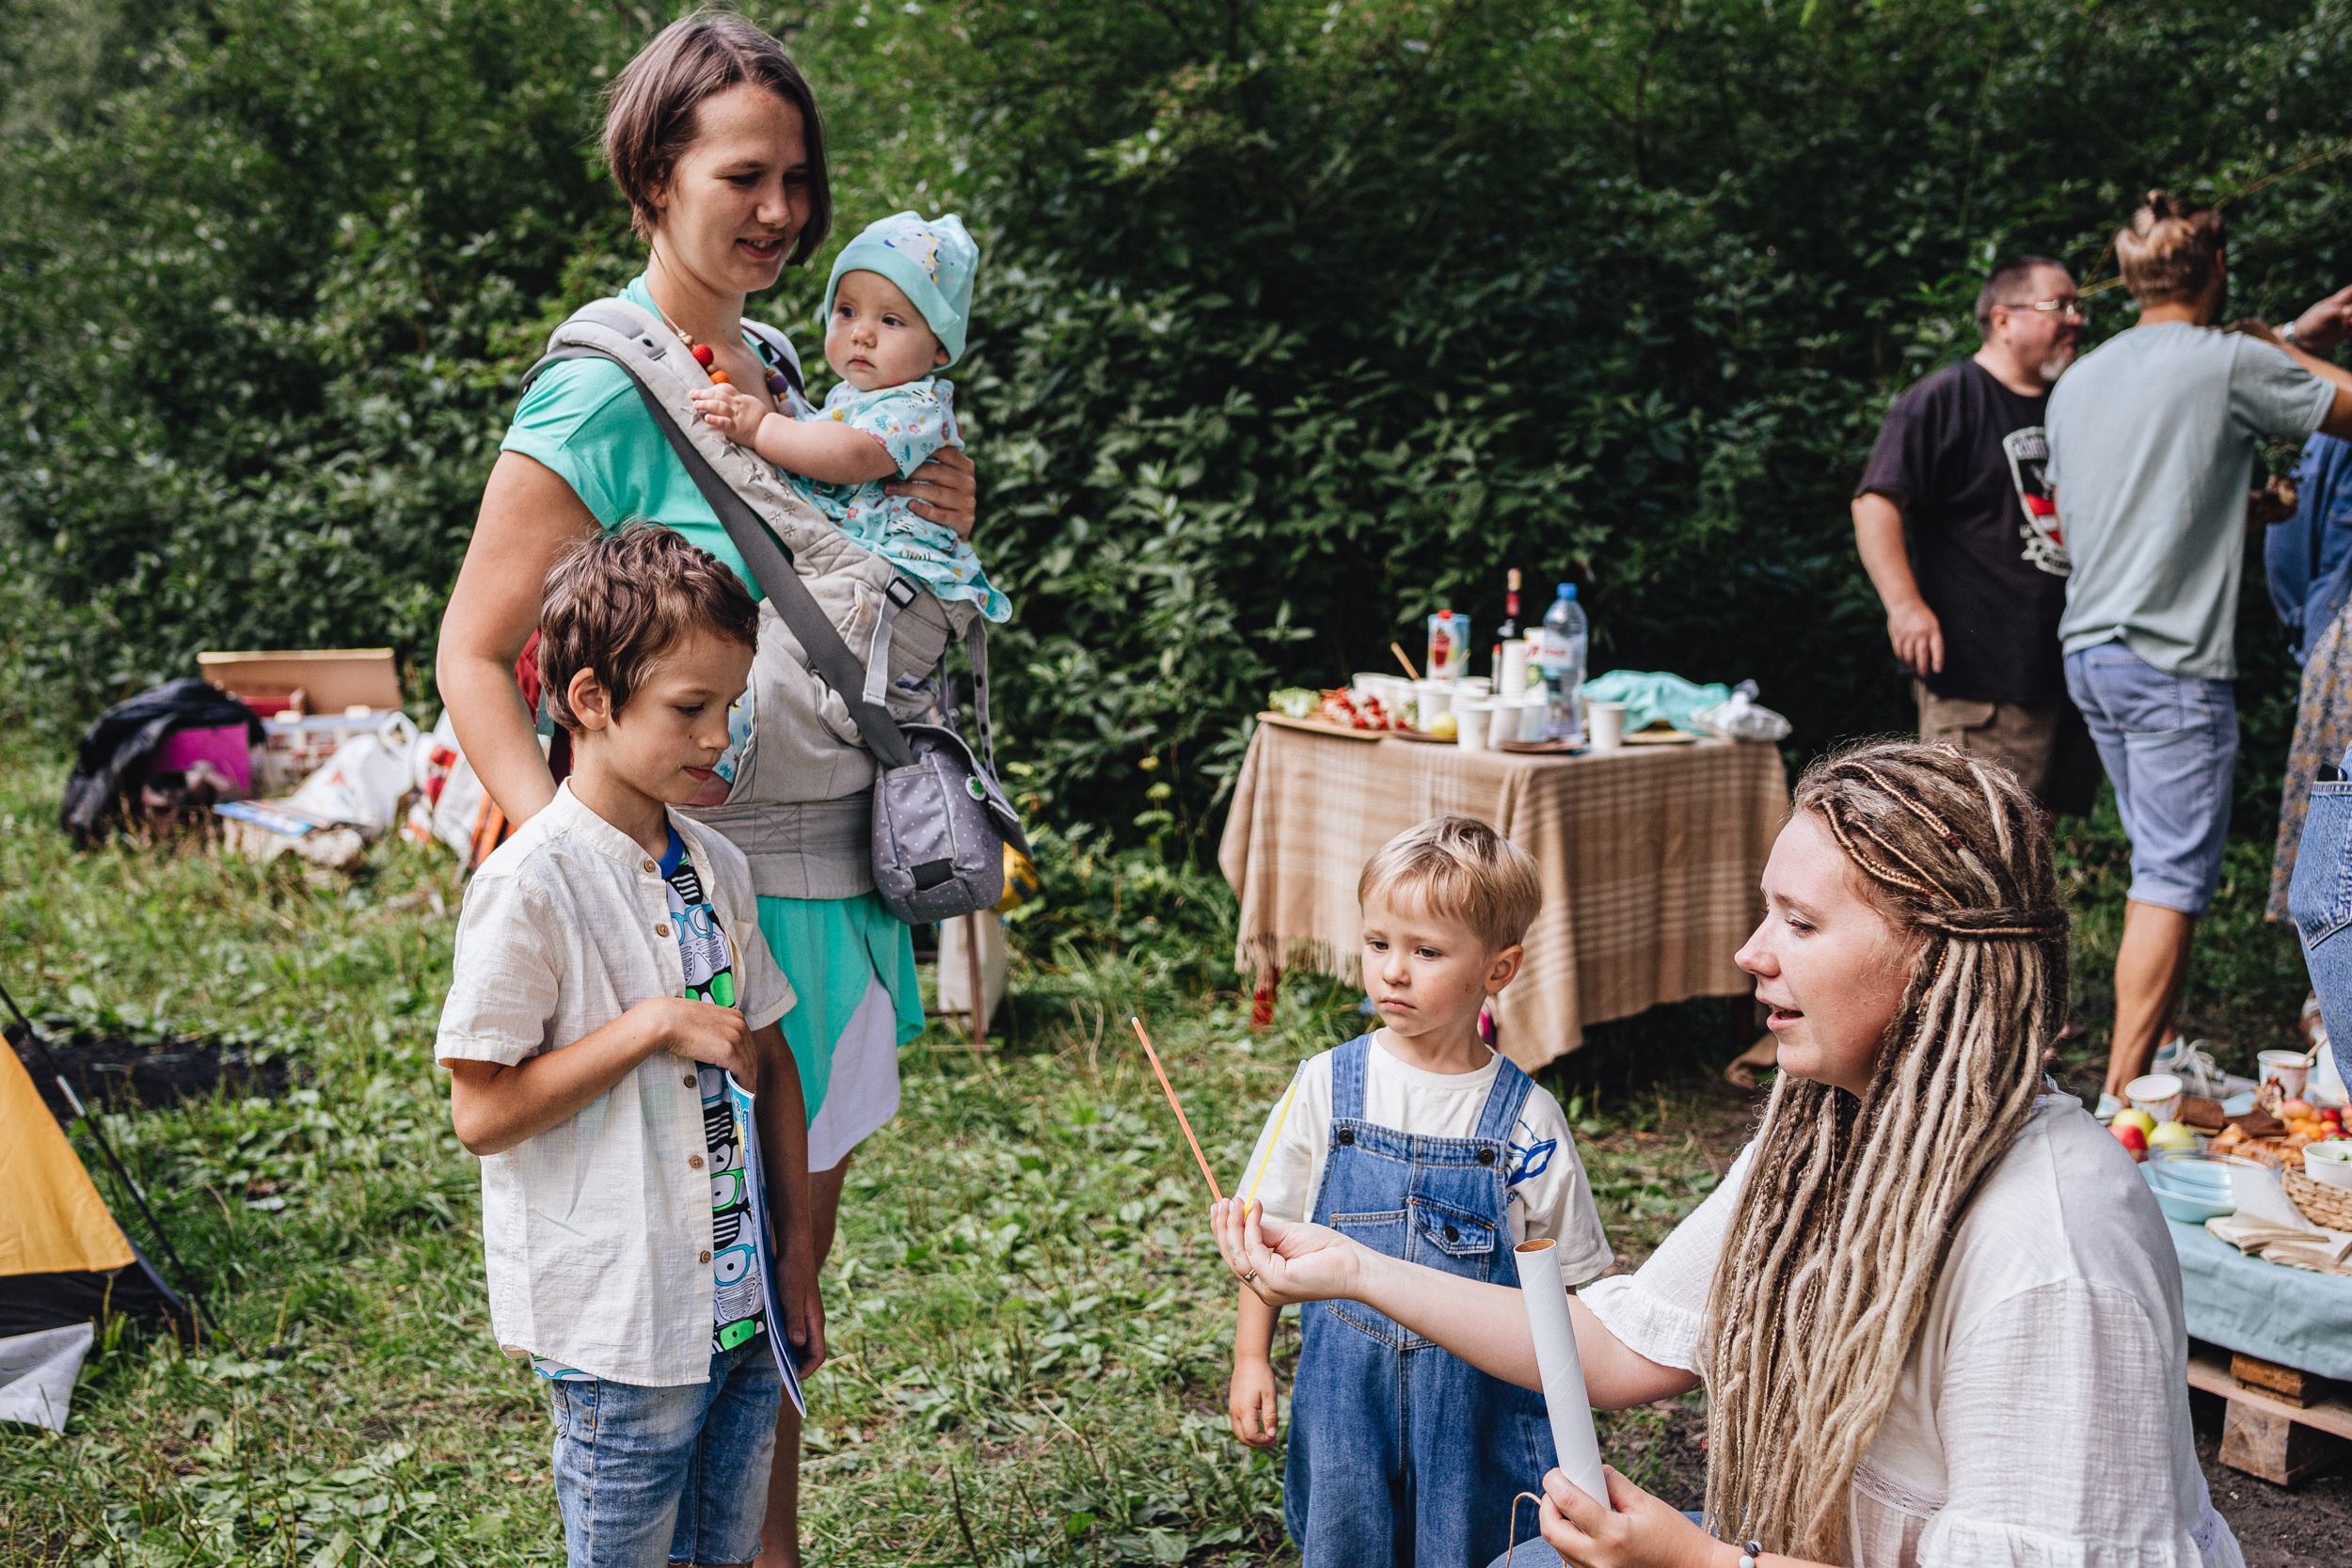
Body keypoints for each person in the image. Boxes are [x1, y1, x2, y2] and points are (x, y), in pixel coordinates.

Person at [1214, 742, 2242, 1568]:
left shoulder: (2050, 1248)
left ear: (1934, 960)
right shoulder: (1832, 1128)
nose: (1751, 951)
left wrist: (1694, 1558)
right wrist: (1352, 1268)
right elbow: (1614, 1345)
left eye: (1796, 921)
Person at [432, 15, 979, 1563]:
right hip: (707, 903)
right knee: (708, 1281)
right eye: (745, 173)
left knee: (786, 1280)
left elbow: (883, 618)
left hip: (847, 893)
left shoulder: (802, 372)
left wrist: (938, 517)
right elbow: (476, 654)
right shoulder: (605, 387)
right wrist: (580, 859)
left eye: (799, 179)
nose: (783, 211)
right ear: (656, 172)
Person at [437, 527, 814, 1567]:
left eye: (729, 706)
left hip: (743, 1322)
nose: (718, 736)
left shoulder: (719, 867)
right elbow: (482, 1113)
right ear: (592, 700)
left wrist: (791, 1259)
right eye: (690, 709)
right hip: (623, 1333)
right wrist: (650, 1024)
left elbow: (768, 1061)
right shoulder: (530, 884)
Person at [1224, 816, 1612, 1568]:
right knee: (1347, 1545)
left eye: (1426, 951)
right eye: (1378, 944)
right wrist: (1251, 1358)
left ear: (1498, 970)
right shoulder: (1325, 1086)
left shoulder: (1525, 1120)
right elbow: (1262, 1231)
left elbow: (1573, 1293)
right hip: (1347, 1404)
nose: (1392, 971)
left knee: (1469, 1548)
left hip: (1477, 1411)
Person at [2045, 191, 2352, 1115]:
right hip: (2171, 659)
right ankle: (2115, 1105)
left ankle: (2153, 1064)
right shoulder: (2226, 363)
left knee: (2153, 869)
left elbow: (2110, 505)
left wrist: (2240, 508)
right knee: (2171, 882)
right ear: (2216, 269)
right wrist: (2279, 340)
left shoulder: (2080, 378)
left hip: (2092, 650)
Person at [1852, 255, 2098, 817]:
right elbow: (1874, 504)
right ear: (2003, 319)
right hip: (1977, 681)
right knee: (1966, 853)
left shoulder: (2073, 403)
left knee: (2030, 854)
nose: (2076, 318)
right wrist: (1904, 605)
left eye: (2078, 306)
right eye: (2058, 305)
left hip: (2060, 672)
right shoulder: (1945, 398)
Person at [692, 210, 1010, 624]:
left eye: (891, 320)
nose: (861, 333)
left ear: (940, 350)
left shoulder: (920, 406)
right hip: (866, 580)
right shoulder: (855, 396)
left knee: (778, 654)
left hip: (893, 586)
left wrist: (762, 427)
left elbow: (853, 457)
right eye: (846, 311)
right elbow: (817, 434)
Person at [2265, 432, 2352, 919]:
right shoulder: (2336, 430)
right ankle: (2323, 983)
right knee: (2338, 835)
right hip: (2343, 648)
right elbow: (2291, 546)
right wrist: (2316, 626)